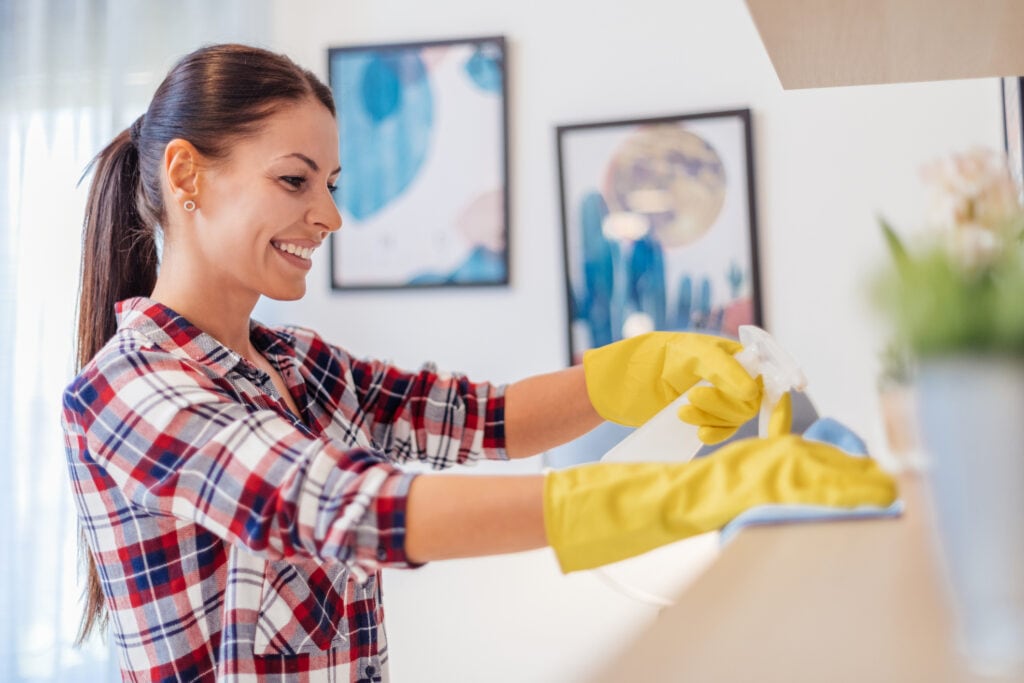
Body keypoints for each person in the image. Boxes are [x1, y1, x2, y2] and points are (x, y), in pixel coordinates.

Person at [61, 43, 896, 682]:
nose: (329, 216)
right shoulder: (126, 393)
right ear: (186, 177)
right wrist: (687, 494)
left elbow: (479, 416)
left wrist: (650, 367)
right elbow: (338, 505)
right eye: (295, 180)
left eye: (334, 185)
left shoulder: (300, 366)